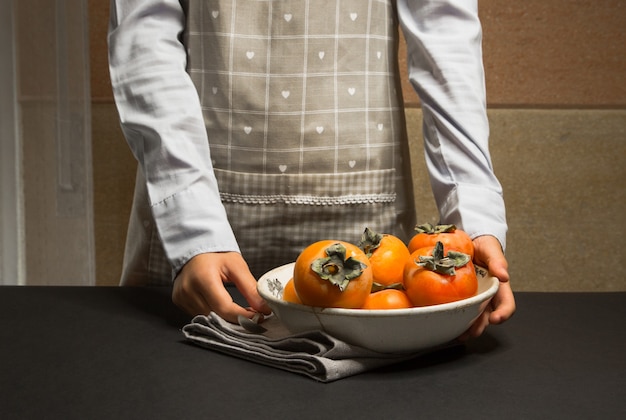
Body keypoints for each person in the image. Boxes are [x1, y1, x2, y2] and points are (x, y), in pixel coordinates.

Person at [108, 0, 515, 337]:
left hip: (369, 233)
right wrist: (193, 230)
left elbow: (445, 35)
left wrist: (472, 222)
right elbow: (144, 37)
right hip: (193, 244)